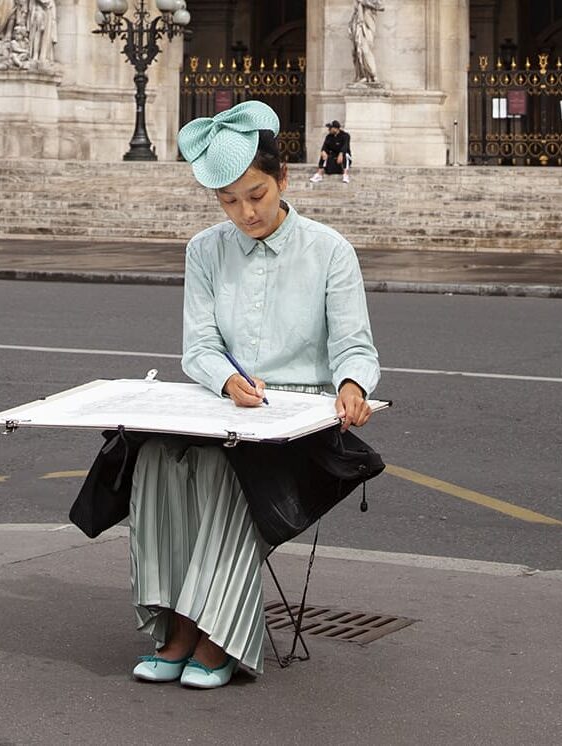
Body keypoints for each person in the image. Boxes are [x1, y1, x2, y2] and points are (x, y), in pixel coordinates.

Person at [128, 100, 379, 689]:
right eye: (228, 201)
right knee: (156, 461)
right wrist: (227, 380)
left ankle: (215, 636)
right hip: (227, 407)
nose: (245, 213)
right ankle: (178, 620)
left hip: (296, 426)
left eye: (257, 195)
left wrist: (351, 386)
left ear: (284, 179)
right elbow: (199, 348)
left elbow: (355, 348)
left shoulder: (329, 251)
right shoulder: (204, 250)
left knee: (221, 472)